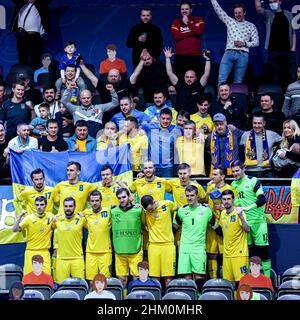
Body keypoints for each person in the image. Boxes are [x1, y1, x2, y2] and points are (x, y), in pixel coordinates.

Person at [231, 160, 271, 277]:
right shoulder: (233, 185)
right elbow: (235, 204)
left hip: (259, 222)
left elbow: (262, 199)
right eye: (233, 171)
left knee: (263, 251)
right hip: (244, 223)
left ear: (244, 169)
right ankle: (248, 278)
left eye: (237, 170)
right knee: (246, 252)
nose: (235, 173)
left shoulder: (254, 181)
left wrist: (248, 208)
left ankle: (267, 280)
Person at [175, 185, 215, 292]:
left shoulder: (206, 211)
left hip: (199, 249)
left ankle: (200, 296)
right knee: (187, 279)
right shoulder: (181, 211)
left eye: (192, 195)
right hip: (184, 249)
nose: (189, 198)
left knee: (199, 277)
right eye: (187, 196)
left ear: (197, 195)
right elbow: (175, 226)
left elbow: (216, 227)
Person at [210, 0, 259, 86]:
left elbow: (256, 42)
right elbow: (219, 10)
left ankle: (236, 99)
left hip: (243, 54)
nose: (237, 14)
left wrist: (244, 43)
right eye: (236, 13)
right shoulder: (230, 21)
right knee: (221, 78)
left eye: (239, 12)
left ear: (244, 12)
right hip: (229, 53)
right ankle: (219, 99)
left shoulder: (251, 26)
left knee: (238, 81)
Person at [254, 0, 297, 89]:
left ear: (280, 2)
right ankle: (277, 99)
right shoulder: (268, 14)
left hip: (288, 51)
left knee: (290, 76)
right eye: (270, 2)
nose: (272, 3)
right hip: (273, 52)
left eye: (274, 1)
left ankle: (290, 97)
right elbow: (258, 8)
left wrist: (293, 49)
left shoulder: (289, 14)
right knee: (274, 77)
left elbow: (293, 32)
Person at [206, 165, 237, 279]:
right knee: (212, 254)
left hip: (225, 225)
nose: (212, 176)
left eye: (215, 174)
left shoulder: (230, 189)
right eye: (212, 174)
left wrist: (223, 208)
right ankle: (213, 280)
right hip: (212, 225)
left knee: (226, 254)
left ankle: (226, 280)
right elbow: (206, 201)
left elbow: (237, 207)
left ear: (223, 176)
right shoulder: (210, 188)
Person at [141, 195, 177, 287]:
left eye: (151, 209)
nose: (150, 211)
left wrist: (175, 224)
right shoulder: (144, 211)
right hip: (153, 246)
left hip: (168, 245)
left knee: (168, 278)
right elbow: (143, 225)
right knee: (154, 278)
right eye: (148, 210)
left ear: (154, 201)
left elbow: (179, 211)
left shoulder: (168, 204)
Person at [13, 196, 54, 275]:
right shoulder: (29, 218)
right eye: (37, 205)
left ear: (46, 205)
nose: (39, 207)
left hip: (44, 252)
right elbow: (15, 229)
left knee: (46, 278)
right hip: (31, 251)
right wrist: (20, 216)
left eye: (41, 205)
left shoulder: (51, 217)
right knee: (29, 279)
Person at [111, 188, 143, 288]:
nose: (122, 200)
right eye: (119, 198)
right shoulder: (113, 211)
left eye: (124, 197)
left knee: (136, 280)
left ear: (129, 197)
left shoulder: (138, 210)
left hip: (135, 252)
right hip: (119, 252)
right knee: (122, 280)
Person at [164, 47, 211, 114]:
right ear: (184, 78)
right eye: (187, 77)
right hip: (180, 117)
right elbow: (169, 73)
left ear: (195, 78)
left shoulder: (199, 85)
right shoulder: (179, 84)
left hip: (194, 117)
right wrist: (167, 58)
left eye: (191, 77)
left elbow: (206, 74)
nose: (189, 79)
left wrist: (208, 60)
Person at [218, 189, 249, 287]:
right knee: (228, 284)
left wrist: (241, 216)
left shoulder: (239, 212)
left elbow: (247, 229)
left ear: (233, 199)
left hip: (239, 254)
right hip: (227, 254)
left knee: (241, 283)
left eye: (228, 199)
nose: (226, 201)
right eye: (224, 199)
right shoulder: (223, 213)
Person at [53, 197, 86, 283]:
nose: (68, 208)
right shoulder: (57, 220)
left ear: (75, 207)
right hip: (61, 259)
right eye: (66, 206)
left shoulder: (81, 219)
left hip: (77, 259)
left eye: (70, 206)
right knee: (62, 287)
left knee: (80, 286)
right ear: (63, 207)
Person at [11, 0, 51, 70]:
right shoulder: (20, 2)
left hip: (35, 36)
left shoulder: (41, 3)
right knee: (22, 60)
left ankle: (35, 79)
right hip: (22, 35)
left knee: (35, 60)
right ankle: (22, 78)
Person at [142, 108, 182, 177]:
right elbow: (136, 128)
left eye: (168, 119)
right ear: (159, 118)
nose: (165, 121)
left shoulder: (176, 130)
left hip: (167, 168)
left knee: (167, 188)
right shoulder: (150, 127)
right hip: (152, 167)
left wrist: (200, 134)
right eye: (163, 118)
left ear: (172, 119)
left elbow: (190, 131)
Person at [240, 114, 282, 178]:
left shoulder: (272, 134)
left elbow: (285, 142)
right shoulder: (245, 135)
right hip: (249, 171)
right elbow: (241, 153)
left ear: (264, 123)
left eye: (259, 123)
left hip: (267, 170)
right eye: (255, 123)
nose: (257, 126)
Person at [83, 190, 112, 280]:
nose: (94, 203)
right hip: (90, 252)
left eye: (97, 200)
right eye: (92, 201)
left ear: (101, 200)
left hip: (105, 252)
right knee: (91, 281)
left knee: (105, 280)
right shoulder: (85, 213)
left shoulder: (109, 211)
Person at [171, 1, 205, 78]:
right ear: (180, 11)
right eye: (182, 9)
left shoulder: (199, 20)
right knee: (179, 79)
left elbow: (199, 31)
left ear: (191, 10)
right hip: (180, 56)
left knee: (195, 79)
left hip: (194, 56)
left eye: (186, 9)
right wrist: (192, 31)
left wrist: (188, 23)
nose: (184, 11)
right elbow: (176, 36)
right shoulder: (176, 22)